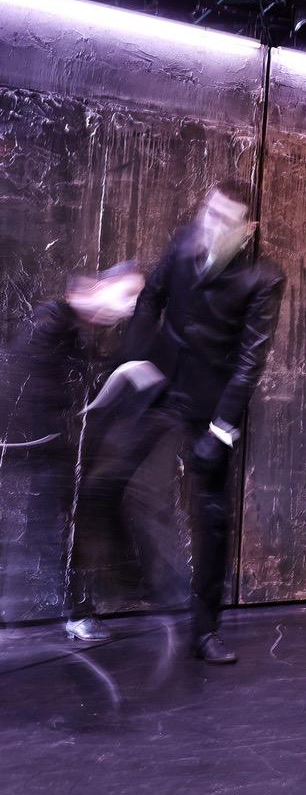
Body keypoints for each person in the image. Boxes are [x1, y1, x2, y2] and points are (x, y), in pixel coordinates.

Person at [74, 178, 283, 663]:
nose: (211, 226)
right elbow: (151, 298)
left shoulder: (264, 277)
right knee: (103, 483)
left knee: (211, 516)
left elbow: (250, 360)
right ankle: (113, 591)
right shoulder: (184, 241)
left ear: (247, 229)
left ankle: (205, 632)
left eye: (225, 221)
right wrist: (136, 359)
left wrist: (221, 428)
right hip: (159, 386)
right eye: (209, 213)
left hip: (211, 404)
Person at [0, 265, 144, 632]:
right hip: (31, 446)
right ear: (100, 287)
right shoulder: (53, 321)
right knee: (53, 531)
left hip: (43, 447)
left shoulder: (80, 331)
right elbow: (26, 383)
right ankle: (74, 613)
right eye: (126, 295)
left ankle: (73, 610)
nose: (129, 307)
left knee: (56, 528)